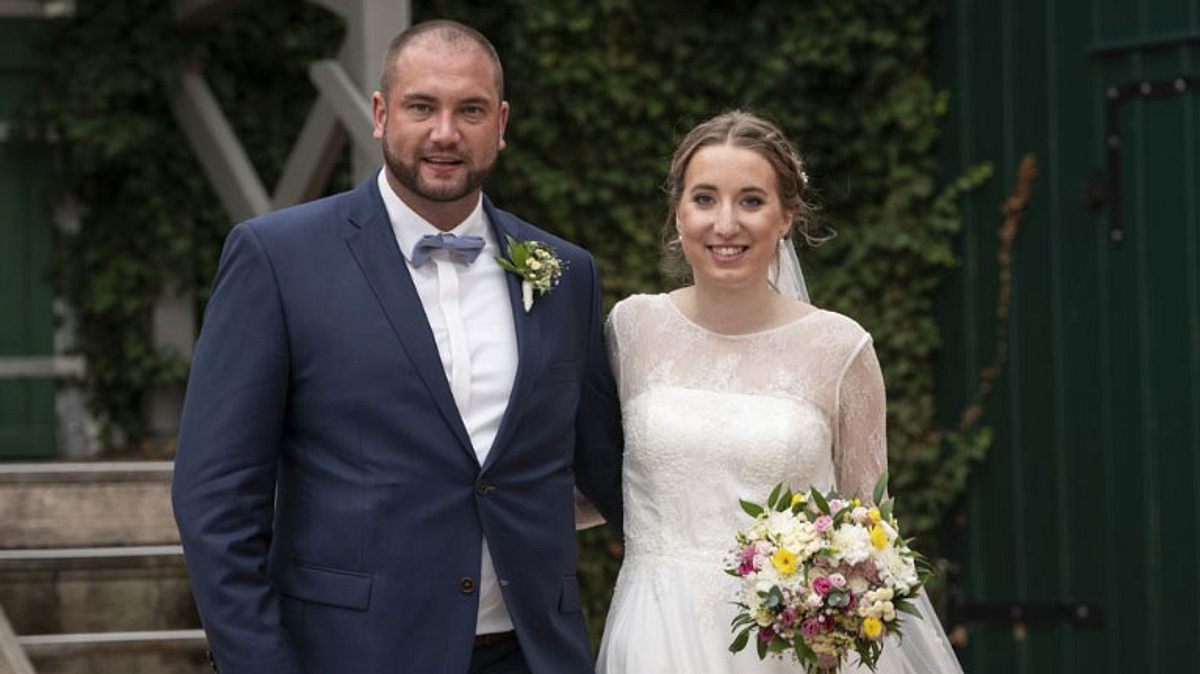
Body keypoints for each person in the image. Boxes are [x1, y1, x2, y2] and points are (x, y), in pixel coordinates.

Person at [172, 20, 623, 674]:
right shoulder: (277, 259)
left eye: (469, 110)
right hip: (351, 654)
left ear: (500, 123)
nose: (445, 133)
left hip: (532, 654)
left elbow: (609, 467)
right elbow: (214, 500)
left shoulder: (564, 272)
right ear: (381, 114)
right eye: (422, 106)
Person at [594, 111, 962, 673]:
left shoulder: (841, 349)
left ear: (787, 216)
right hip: (654, 633)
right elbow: (590, 477)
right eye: (705, 199)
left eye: (750, 201)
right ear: (677, 212)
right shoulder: (631, 329)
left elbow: (870, 533)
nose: (725, 224)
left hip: (792, 649)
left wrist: (833, 617)